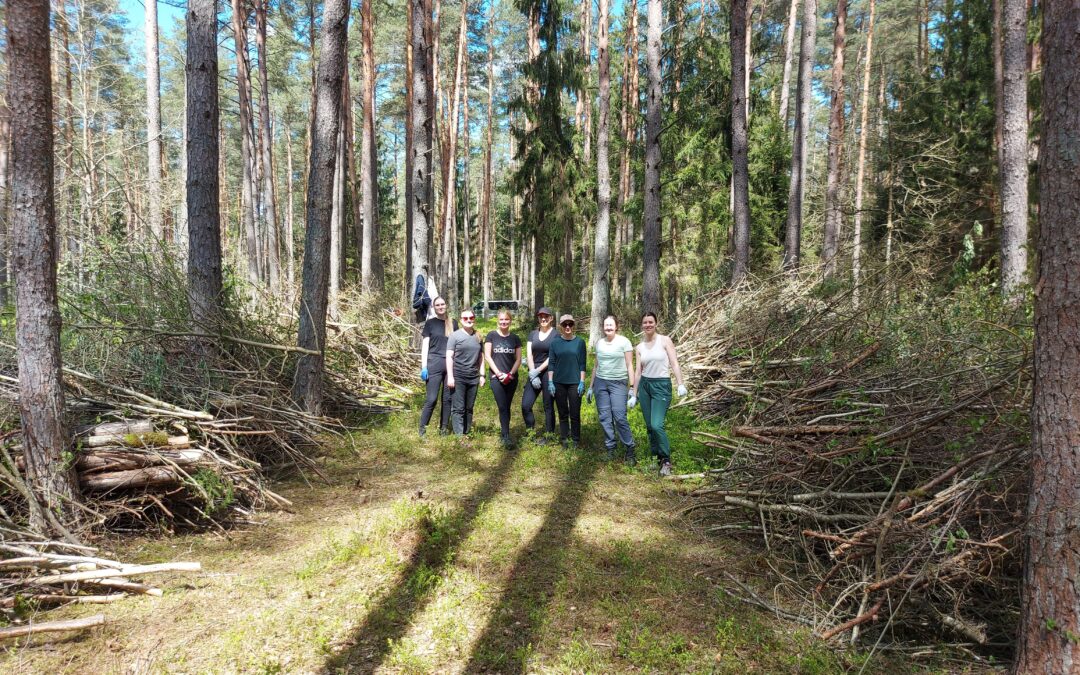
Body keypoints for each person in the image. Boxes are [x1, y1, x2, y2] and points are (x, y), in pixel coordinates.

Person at [632, 312, 688, 476]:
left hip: (661, 385)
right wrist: (634, 393)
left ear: (656, 324)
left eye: (650, 322)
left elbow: (674, 363)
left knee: (657, 424)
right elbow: (637, 372)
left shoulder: (665, 341)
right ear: (642, 325)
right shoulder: (640, 347)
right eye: (645, 322)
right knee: (650, 426)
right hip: (645, 386)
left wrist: (680, 383)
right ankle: (656, 458)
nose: (648, 325)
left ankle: (666, 460)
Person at [587, 315, 636, 463]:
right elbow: (596, 365)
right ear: (603, 327)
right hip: (601, 383)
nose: (608, 327)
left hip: (619, 383)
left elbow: (629, 365)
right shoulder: (600, 343)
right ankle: (611, 448)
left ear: (616, 326)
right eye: (606, 325)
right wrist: (591, 387)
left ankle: (630, 449)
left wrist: (632, 388)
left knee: (620, 416)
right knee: (604, 417)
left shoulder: (624, 342)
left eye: (611, 325)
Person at [418, 297, 458, 437]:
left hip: (450, 366)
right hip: (433, 364)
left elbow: (458, 345)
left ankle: (443, 429)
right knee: (432, 399)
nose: (440, 307)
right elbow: (425, 346)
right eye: (437, 305)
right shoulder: (430, 323)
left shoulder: (453, 323)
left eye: (442, 304)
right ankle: (422, 429)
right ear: (434, 308)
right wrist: (424, 367)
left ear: (446, 305)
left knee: (447, 399)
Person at [547, 314, 587, 448]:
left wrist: (582, 381)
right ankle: (564, 437)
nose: (568, 327)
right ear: (560, 327)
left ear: (573, 325)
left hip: (575, 382)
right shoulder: (555, 343)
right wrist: (550, 382)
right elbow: (551, 363)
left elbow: (582, 363)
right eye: (565, 325)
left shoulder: (580, 342)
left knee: (575, 412)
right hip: (559, 382)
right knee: (563, 411)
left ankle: (576, 439)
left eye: (570, 324)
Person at [484, 309, 523, 448]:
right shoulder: (491, 336)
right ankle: (505, 435)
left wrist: (510, 374)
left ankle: (505, 432)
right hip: (496, 377)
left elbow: (518, 359)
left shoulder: (515, 338)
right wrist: (499, 373)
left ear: (510, 321)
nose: (504, 322)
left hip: (512, 377)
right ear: (497, 321)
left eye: (506, 320)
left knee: (507, 405)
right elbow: (487, 356)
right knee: (502, 406)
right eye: (501, 320)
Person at [446, 308, 485, 435]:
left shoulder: (478, 336)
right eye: (465, 318)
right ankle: (459, 436)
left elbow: (481, 357)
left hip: (473, 377)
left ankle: (466, 432)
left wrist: (482, 375)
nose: (468, 320)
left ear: (474, 319)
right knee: (458, 408)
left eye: (471, 318)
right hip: (458, 376)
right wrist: (450, 377)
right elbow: (449, 357)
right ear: (461, 320)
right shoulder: (454, 336)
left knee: (469, 408)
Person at [521, 307, 557, 443]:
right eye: (541, 316)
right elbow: (529, 354)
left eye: (546, 316)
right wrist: (532, 373)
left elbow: (552, 356)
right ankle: (530, 431)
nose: (543, 319)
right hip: (533, 371)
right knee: (526, 405)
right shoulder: (532, 334)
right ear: (538, 318)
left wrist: (539, 370)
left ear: (551, 318)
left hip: (549, 372)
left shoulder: (555, 335)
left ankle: (549, 435)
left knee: (548, 405)